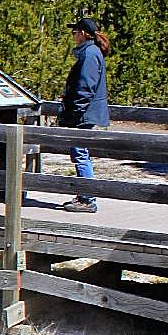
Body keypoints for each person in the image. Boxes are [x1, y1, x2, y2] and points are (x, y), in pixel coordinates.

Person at [58, 15, 110, 213]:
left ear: (83, 34)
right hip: (85, 114)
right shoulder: (91, 52)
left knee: (80, 154)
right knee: (81, 153)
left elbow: (85, 88)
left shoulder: (89, 54)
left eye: (75, 32)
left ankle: (87, 199)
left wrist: (74, 113)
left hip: (83, 115)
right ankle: (85, 195)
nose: (73, 35)